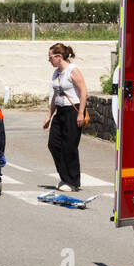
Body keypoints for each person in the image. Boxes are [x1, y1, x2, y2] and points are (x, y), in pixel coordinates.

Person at [43, 43, 88, 192]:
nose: (49, 60)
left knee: (70, 146)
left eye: (50, 57)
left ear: (59, 57)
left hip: (73, 111)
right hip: (60, 111)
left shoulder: (72, 71)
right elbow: (55, 94)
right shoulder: (56, 73)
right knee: (53, 144)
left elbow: (83, 91)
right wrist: (49, 116)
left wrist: (81, 113)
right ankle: (65, 177)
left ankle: (73, 181)